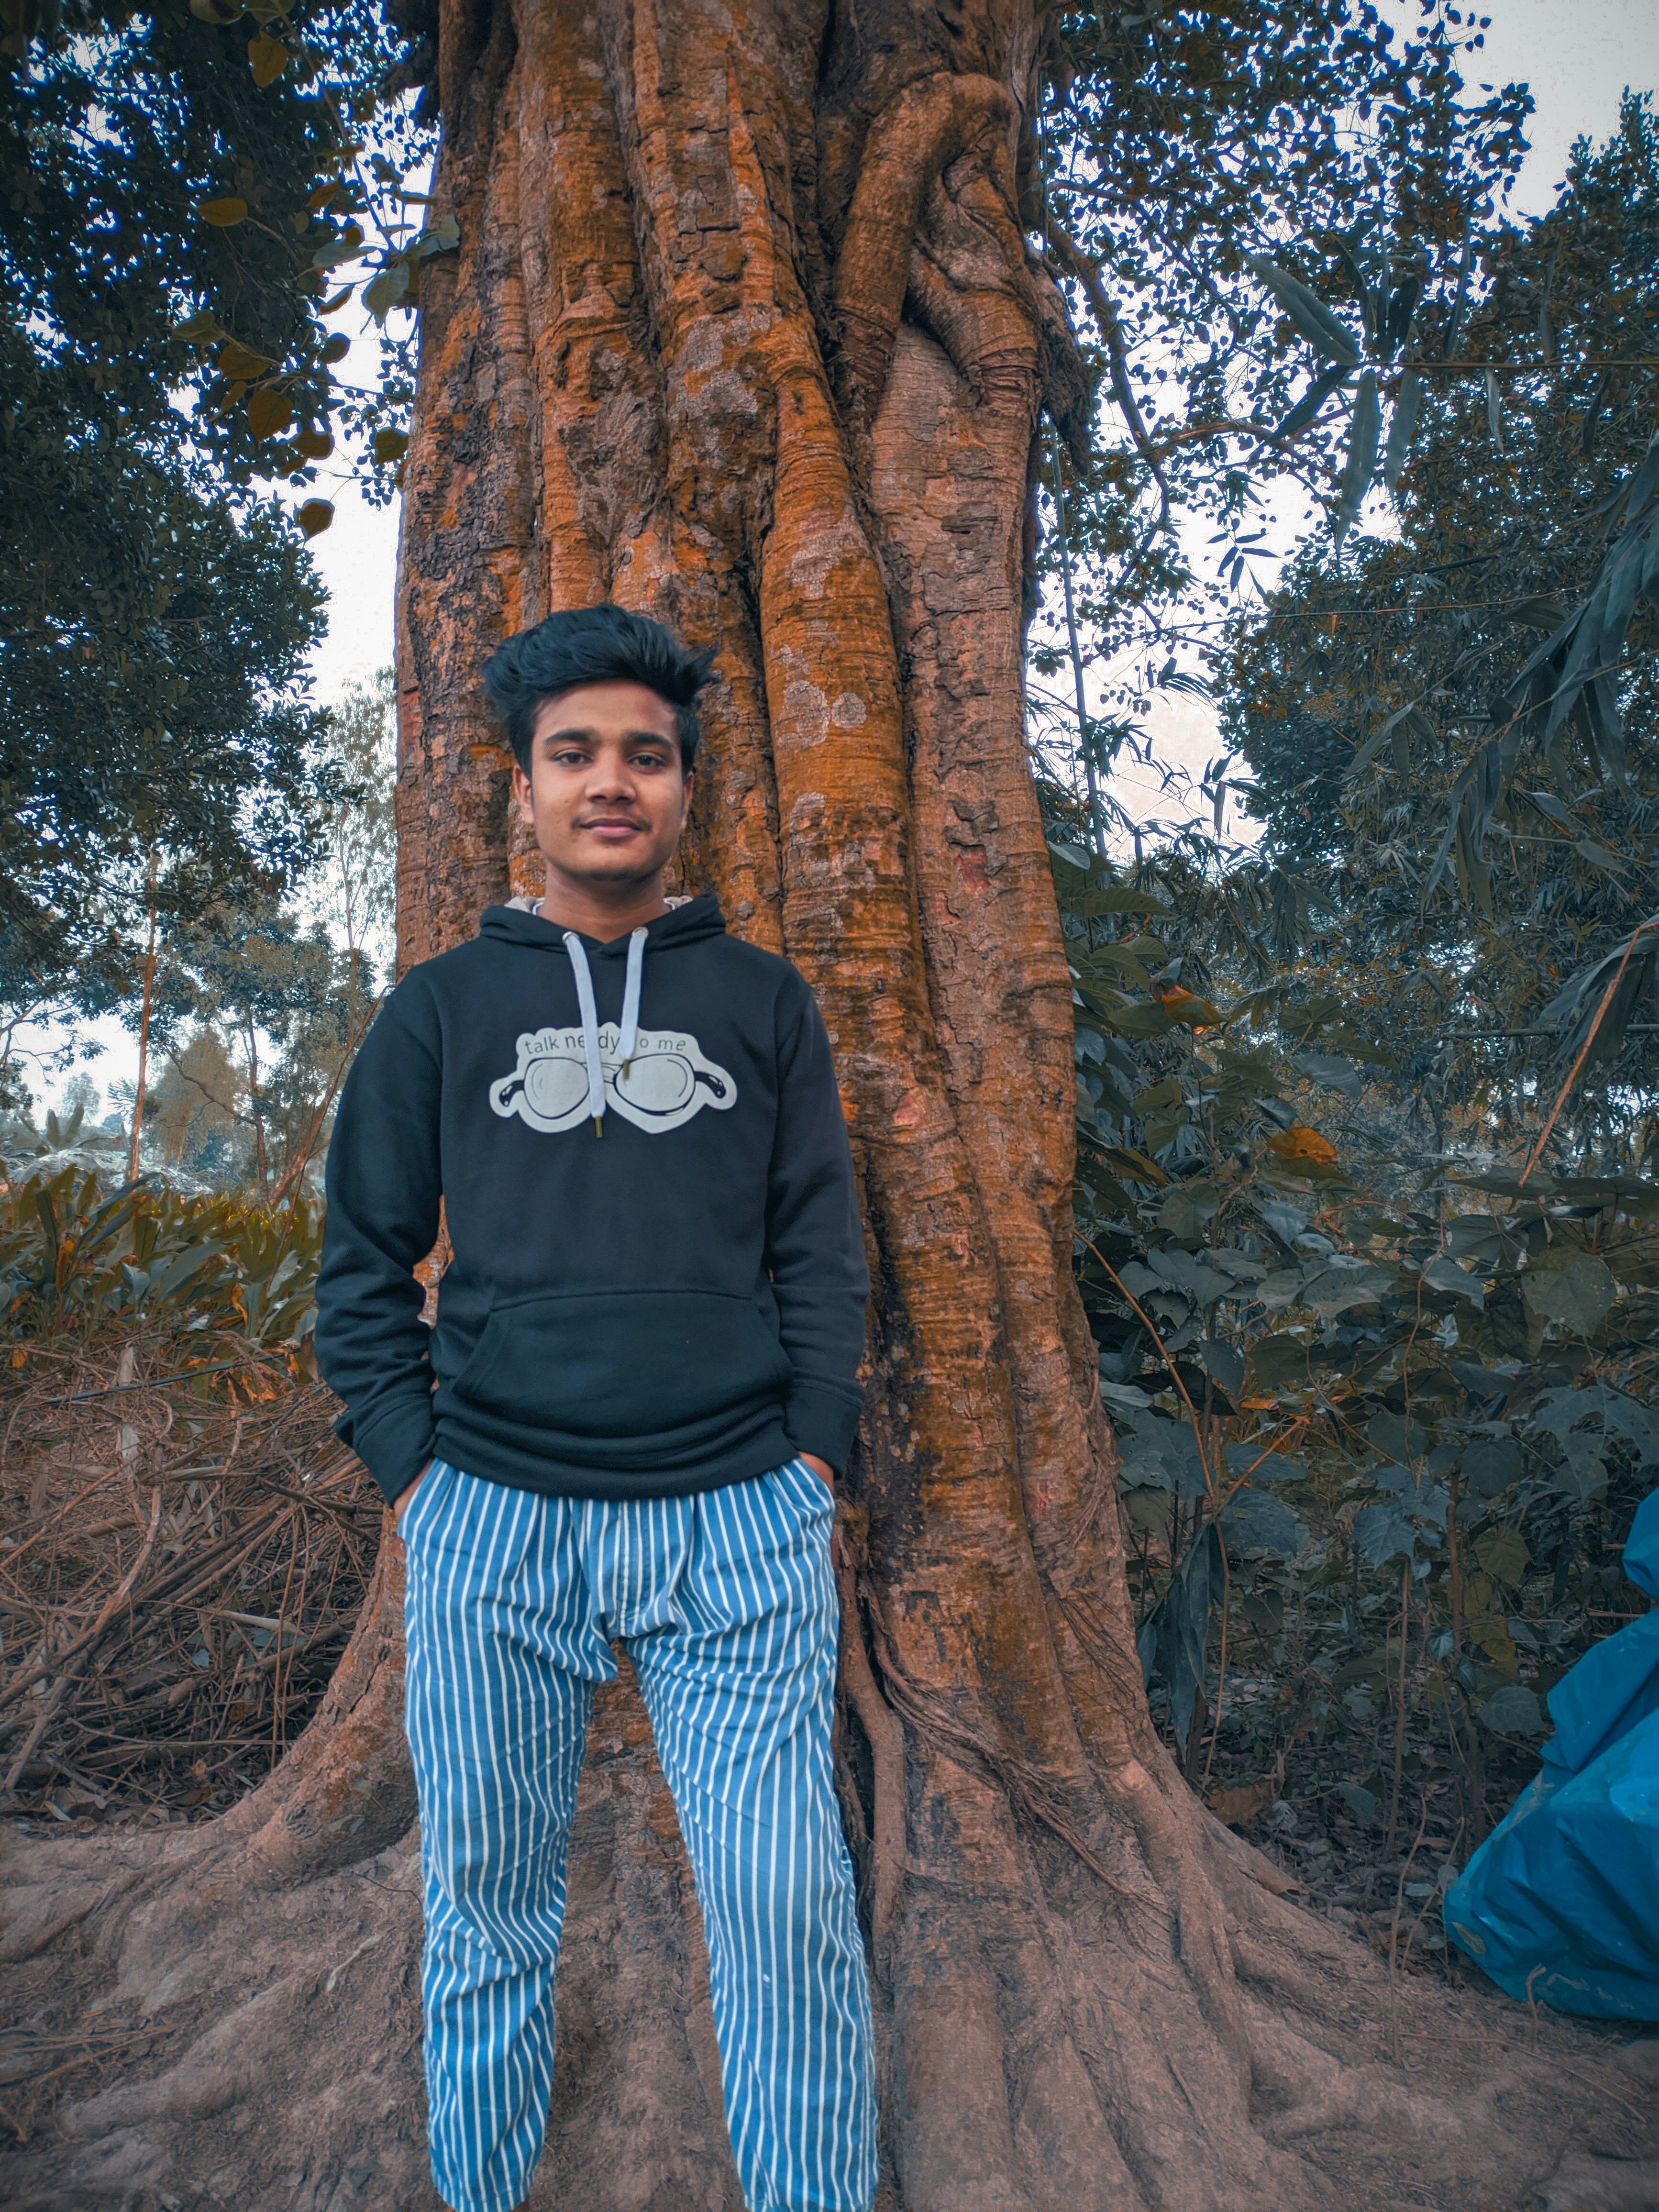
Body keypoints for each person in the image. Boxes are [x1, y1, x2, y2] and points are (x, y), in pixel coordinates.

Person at [314, 605, 876, 2212]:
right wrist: (415, 1473)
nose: (610, 782)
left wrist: (811, 1452)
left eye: (644, 753)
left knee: (784, 1909)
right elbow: (357, 1260)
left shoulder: (763, 1004)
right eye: (575, 755)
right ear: (525, 787)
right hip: (494, 1521)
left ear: (686, 787)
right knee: (486, 1912)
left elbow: (818, 1248)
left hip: (735, 1526)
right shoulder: (439, 1008)